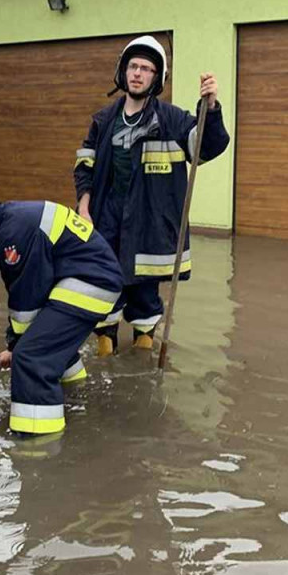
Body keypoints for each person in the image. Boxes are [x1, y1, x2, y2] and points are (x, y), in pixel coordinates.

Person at [0, 179, 123, 436]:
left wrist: (16, 348)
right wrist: (18, 341)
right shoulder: (14, 219)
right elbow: (31, 293)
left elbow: (26, 300)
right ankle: (76, 396)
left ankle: (37, 440)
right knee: (45, 339)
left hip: (90, 283)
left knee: (31, 358)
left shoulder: (13, 235)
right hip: (92, 277)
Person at [74, 36, 230, 356]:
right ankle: (106, 349)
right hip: (107, 217)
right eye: (133, 66)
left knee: (145, 293)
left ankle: (142, 357)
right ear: (122, 72)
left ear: (157, 78)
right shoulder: (103, 121)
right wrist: (84, 205)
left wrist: (210, 107)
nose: (138, 73)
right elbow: (84, 167)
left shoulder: (172, 120)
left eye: (146, 68)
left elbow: (206, 147)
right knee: (104, 285)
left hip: (149, 221)